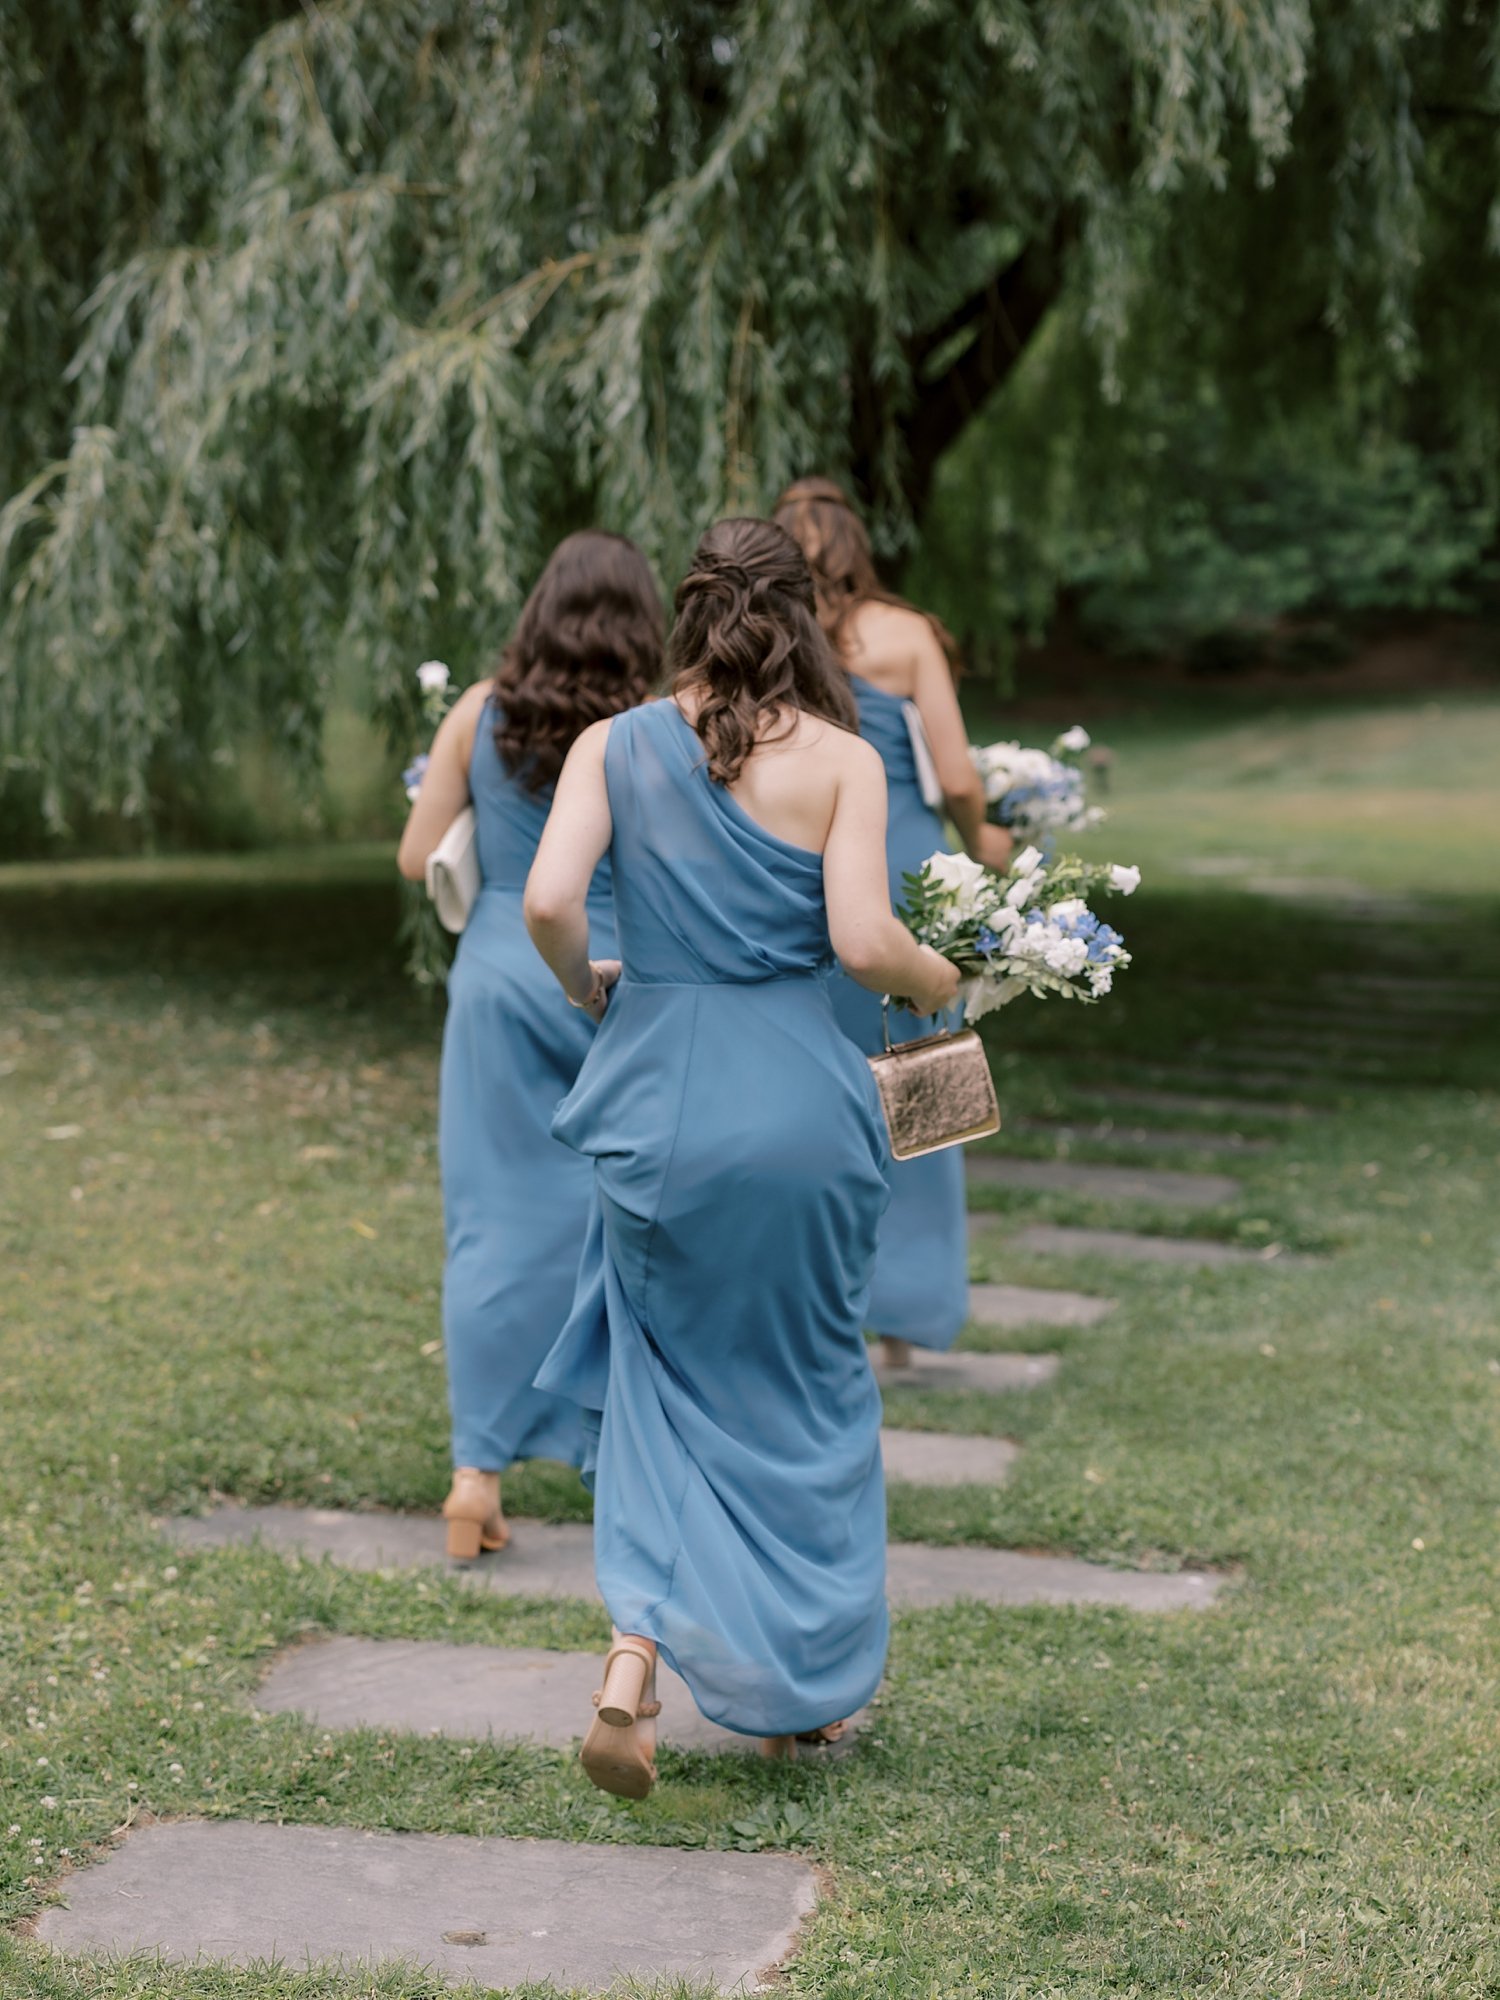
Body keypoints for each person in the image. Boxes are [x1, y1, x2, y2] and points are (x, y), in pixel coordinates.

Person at [525, 518, 958, 1795]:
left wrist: (595, 989)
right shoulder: (842, 758)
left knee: (659, 1385)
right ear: (803, 622)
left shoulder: (614, 744)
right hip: (798, 1108)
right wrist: (953, 977)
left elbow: (549, 901)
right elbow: (868, 942)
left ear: (690, 615)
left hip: (656, 1104)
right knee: (813, 1385)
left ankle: (633, 1649)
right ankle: (801, 1699)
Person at [397, 532, 663, 1560]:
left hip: (503, 974)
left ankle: (476, 1475)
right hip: (620, 976)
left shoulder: (480, 709)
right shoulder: (651, 730)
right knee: (625, 1216)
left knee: (489, 1218)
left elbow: (420, 855)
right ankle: (620, 1454)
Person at [773, 477, 1012, 1370]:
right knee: (920, 1077)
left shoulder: (772, 641)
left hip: (813, 865)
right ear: (857, 545)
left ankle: (820, 1296)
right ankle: (907, 1313)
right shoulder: (906, 634)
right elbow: (953, 771)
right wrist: (981, 837)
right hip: (904, 869)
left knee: (820, 1081)